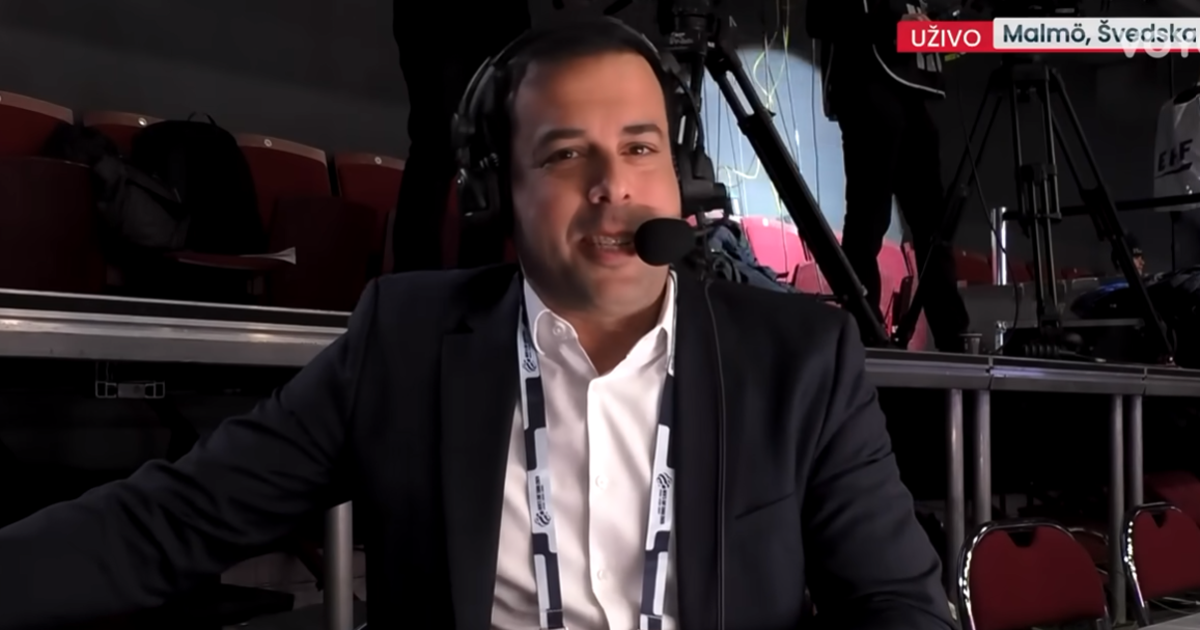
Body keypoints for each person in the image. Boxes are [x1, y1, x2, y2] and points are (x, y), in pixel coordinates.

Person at [0, 20, 954, 630]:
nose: (613, 186)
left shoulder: (798, 360)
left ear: (681, 177)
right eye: (567, 155)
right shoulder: (406, 343)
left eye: (639, 149)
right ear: (496, 191)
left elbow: (897, 605)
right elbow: (171, 522)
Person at [807, 0, 970, 352]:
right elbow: (819, 17)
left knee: (934, 225)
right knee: (869, 219)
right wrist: (892, 26)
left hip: (912, 89)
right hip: (867, 82)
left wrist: (939, 25)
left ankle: (953, 337)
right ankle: (864, 333)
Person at [391, 0, 530, 271]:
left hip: (502, 18)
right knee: (436, 146)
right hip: (437, 18)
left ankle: (479, 284)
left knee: (491, 152)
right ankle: (413, 282)